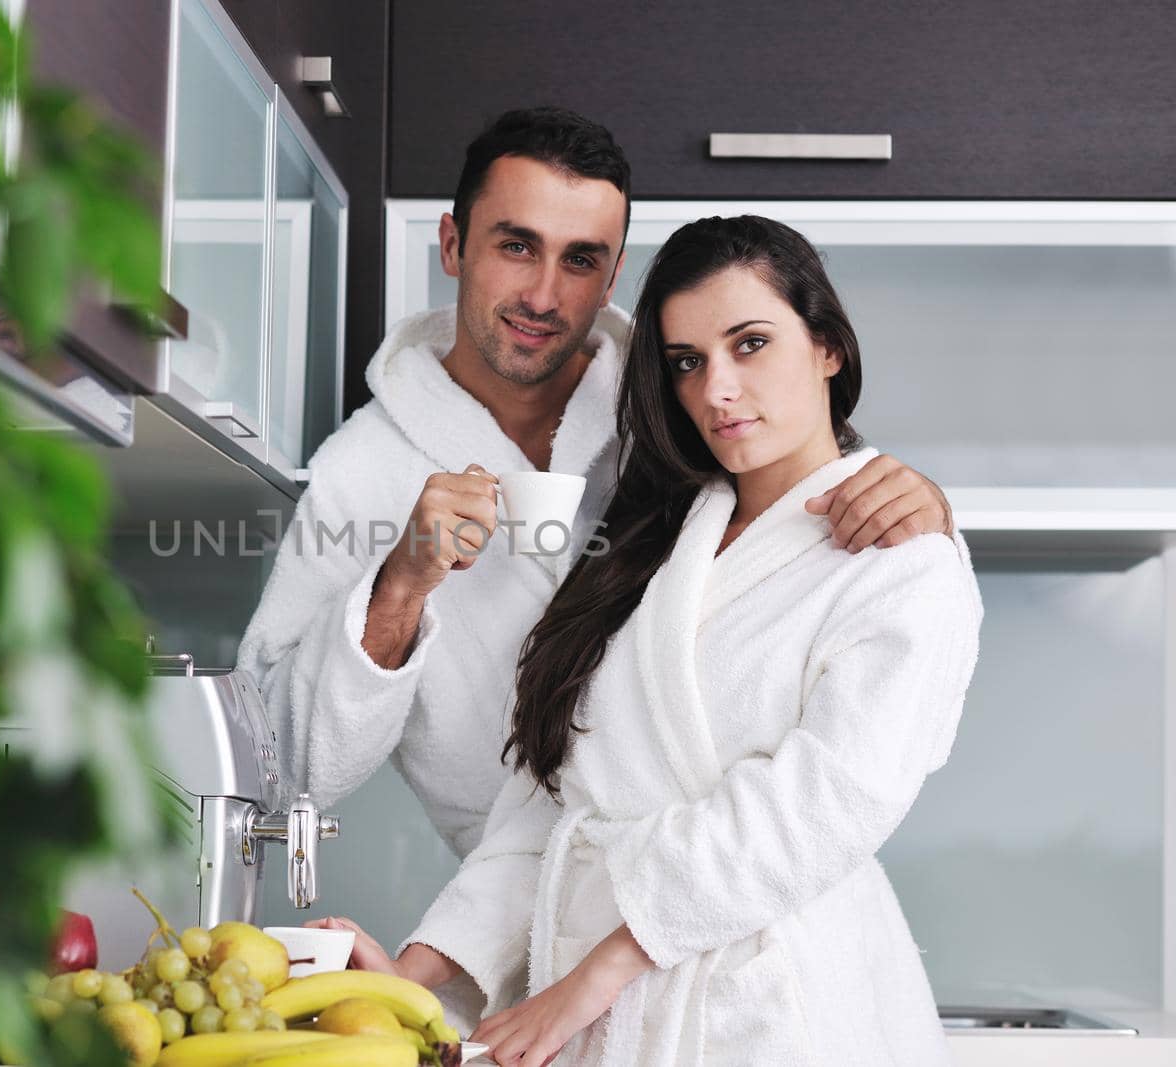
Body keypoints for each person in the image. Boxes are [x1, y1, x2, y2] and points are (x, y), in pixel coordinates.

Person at [236, 106, 951, 920]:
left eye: (581, 259)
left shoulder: (674, 407)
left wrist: (918, 498)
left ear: (612, 278)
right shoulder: (363, 472)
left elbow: (798, 501)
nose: (545, 295)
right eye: (515, 245)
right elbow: (277, 767)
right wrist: (398, 587)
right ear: (451, 244)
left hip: (722, 880)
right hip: (509, 912)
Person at [326, 215, 982, 1066]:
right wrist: (408, 988)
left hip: (770, 1012)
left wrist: (596, 975)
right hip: (601, 1014)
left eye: (751, 344)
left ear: (827, 346)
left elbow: (825, 805)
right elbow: (554, 806)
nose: (717, 390)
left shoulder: (902, 560)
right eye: (687, 362)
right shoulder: (651, 546)